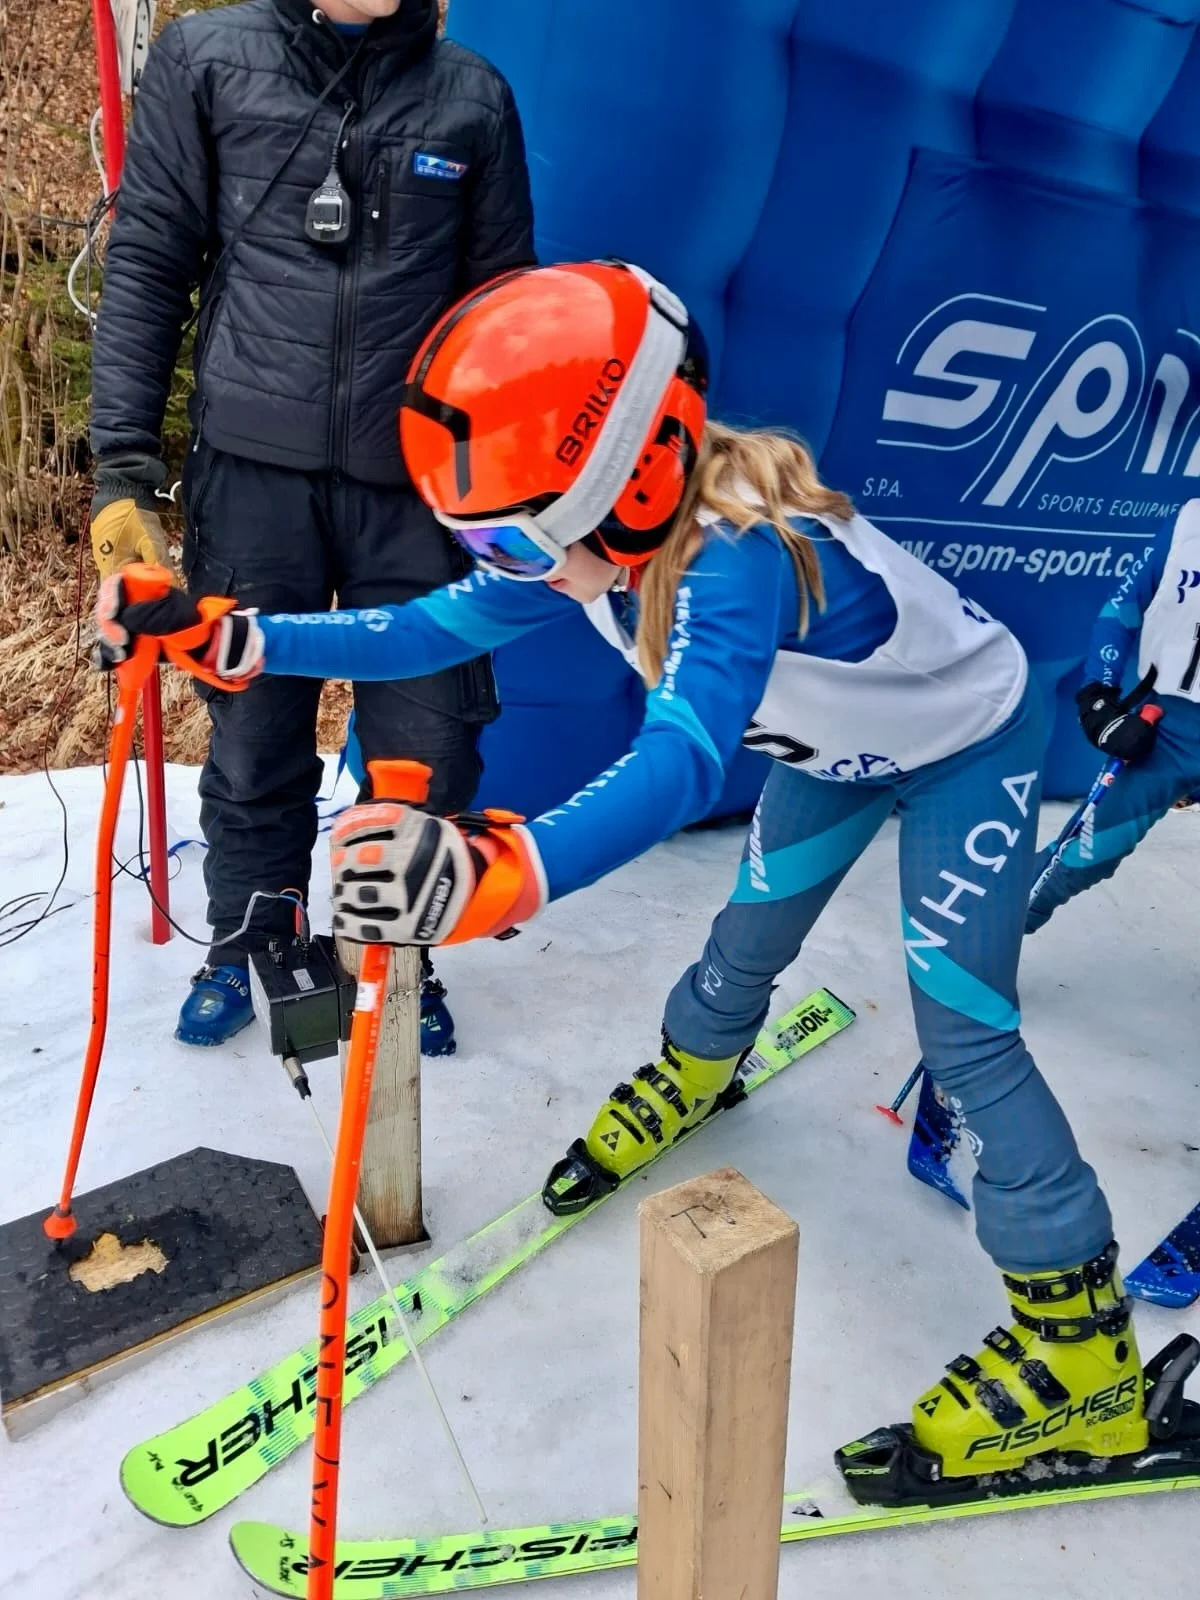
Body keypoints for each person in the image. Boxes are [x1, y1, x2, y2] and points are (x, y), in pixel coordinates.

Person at [96, 261, 1198, 1503]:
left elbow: (678, 764)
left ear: (634, 481)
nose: (496, 559)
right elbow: (433, 624)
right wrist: (237, 635)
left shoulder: (731, 559)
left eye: (509, 533)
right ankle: (699, 1063)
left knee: (965, 1028)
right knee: (744, 940)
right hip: (836, 747)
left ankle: (1085, 1353)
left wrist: (506, 870)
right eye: (475, 531)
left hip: (966, 747)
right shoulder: (606, 534)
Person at [87, 0, 535, 1051]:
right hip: (251, 478)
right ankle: (251, 935)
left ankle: (397, 952)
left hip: (420, 493)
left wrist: (515, 492)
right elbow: (151, 259)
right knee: (252, 735)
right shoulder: (206, 58)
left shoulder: (473, 95)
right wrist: (123, 473)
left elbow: (504, 313)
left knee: (431, 739)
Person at [1026, 501, 1200, 933]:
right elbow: (1123, 607)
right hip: (1170, 733)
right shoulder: (1190, 520)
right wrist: (1098, 696)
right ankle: (966, 954)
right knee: (1081, 859)